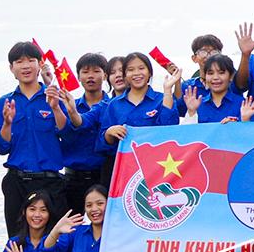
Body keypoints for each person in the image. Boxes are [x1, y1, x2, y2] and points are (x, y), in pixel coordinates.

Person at [0, 41, 68, 236]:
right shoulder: (5, 102)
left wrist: (56, 108)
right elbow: (1, 147)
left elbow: (67, 134)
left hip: (50, 181)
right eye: (19, 61)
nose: (25, 66)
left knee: (55, 240)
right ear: (12, 68)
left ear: (40, 64)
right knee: (17, 240)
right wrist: (7, 124)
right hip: (17, 181)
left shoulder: (54, 96)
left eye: (31, 60)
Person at [85, 51, 179, 189]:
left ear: (149, 73)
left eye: (141, 68)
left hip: (157, 169)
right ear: (125, 76)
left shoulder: (161, 99)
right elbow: (101, 144)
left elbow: (169, 129)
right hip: (123, 172)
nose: (136, 73)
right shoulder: (114, 105)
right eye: (130, 70)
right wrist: (109, 133)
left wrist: (167, 91)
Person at [59, 52, 109, 216]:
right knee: (71, 227)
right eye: (85, 72)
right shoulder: (67, 106)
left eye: (96, 71)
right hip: (74, 178)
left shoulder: (114, 105)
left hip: (104, 176)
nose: (91, 76)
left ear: (105, 75)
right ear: (79, 77)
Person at [176, 53, 246, 124]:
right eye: (210, 73)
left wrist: (236, 125)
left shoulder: (243, 104)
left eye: (221, 73)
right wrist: (191, 112)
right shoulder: (198, 105)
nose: (215, 77)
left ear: (231, 76)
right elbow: (189, 132)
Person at [169, 34, 224, 114]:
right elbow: (180, 111)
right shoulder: (187, 86)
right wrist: (177, 82)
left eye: (214, 52)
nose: (208, 56)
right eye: (203, 52)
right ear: (194, 58)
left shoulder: (227, 83)